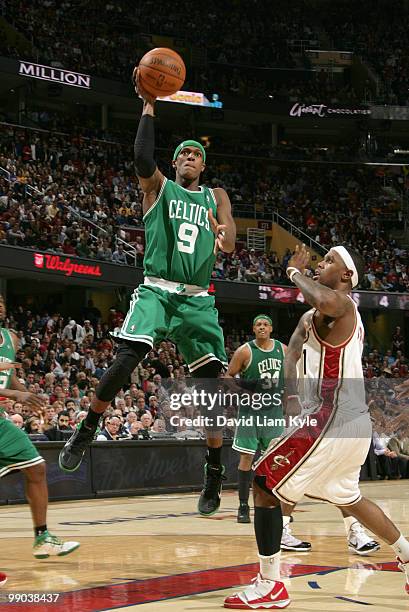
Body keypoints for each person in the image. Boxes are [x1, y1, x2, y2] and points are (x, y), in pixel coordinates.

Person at [59, 67, 236, 517]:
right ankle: (88, 426)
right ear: (175, 163)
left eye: (196, 154)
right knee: (126, 358)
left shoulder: (214, 197)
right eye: (184, 155)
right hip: (157, 289)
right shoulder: (159, 188)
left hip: (197, 298)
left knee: (211, 388)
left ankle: (214, 470)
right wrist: (149, 105)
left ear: (204, 164)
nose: (191, 158)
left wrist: (222, 230)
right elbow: (141, 159)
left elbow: (230, 241)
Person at [224, 245, 409, 609]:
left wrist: (294, 273)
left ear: (345, 276)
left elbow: (324, 302)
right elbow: (292, 353)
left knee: (263, 483)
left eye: (329, 261)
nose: (320, 264)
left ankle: (270, 585)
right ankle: (406, 553)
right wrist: (291, 400)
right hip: (346, 419)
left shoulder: (343, 303)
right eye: (320, 259)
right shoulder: (313, 317)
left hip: (332, 414)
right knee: (348, 498)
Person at [0, 294, 79, 570]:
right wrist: (13, 395)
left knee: (36, 469)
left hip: (0, 421)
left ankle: (42, 537)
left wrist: (28, 397)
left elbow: (7, 375)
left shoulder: (10, 338)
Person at [227, 314, 311, 552]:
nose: (262, 327)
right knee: (246, 458)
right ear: (253, 329)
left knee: (272, 461)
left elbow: (289, 378)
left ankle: (271, 505)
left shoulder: (283, 350)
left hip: (274, 413)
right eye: (258, 325)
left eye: (265, 324)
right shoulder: (245, 351)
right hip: (250, 413)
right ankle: (244, 505)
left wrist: (290, 400)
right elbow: (228, 376)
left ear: (271, 328)